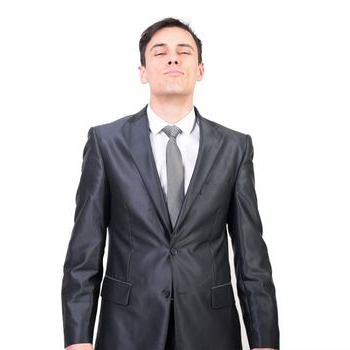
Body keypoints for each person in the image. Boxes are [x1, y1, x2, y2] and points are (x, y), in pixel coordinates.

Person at [61, 17, 279, 350]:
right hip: (127, 328)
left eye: (184, 52)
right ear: (143, 71)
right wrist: (77, 339)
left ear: (200, 69)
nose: (173, 58)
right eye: (160, 52)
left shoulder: (234, 147)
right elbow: (84, 251)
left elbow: (252, 256)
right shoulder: (106, 143)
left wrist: (264, 342)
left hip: (211, 330)